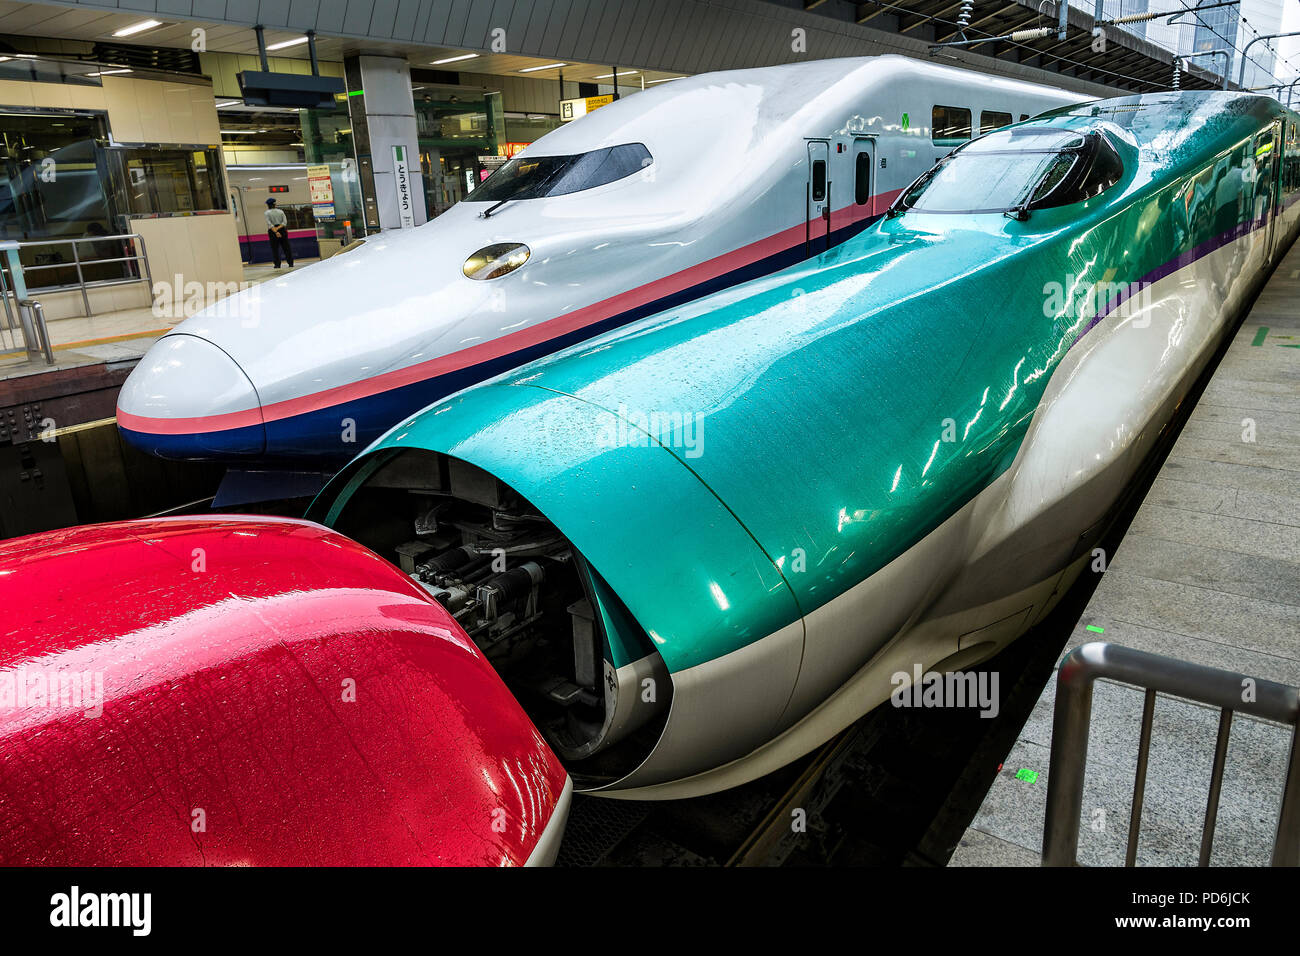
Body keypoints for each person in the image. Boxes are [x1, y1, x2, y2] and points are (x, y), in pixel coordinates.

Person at [264, 197, 294, 269]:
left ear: (268, 205)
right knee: (286, 248)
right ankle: (290, 263)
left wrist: (276, 232)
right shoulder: (281, 211)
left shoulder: (266, 213)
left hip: (272, 231)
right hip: (282, 230)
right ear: (275, 204)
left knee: (275, 249)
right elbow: (284, 223)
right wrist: (278, 230)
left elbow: (269, 224)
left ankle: (277, 264)